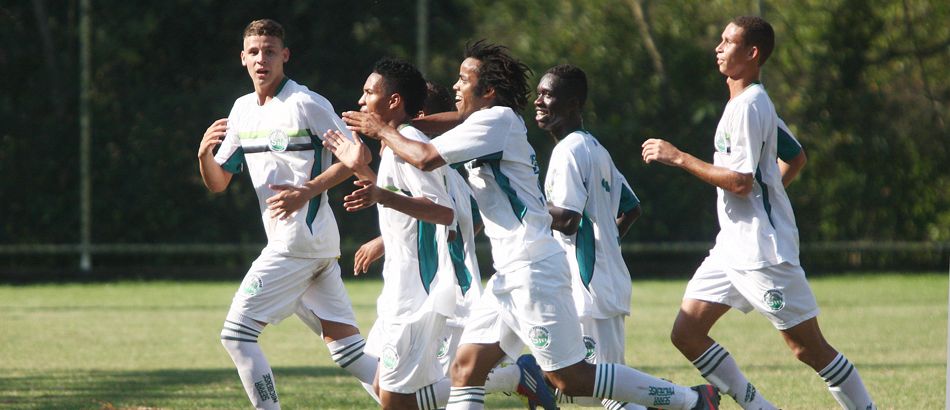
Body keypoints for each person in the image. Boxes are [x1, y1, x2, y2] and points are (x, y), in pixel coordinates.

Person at [341, 40, 720, 410]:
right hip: (509, 274)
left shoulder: (497, 121)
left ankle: (692, 401)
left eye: (463, 79)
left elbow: (424, 157)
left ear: (487, 91)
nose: (455, 86)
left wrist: (383, 129)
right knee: (465, 369)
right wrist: (402, 124)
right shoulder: (487, 120)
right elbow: (445, 122)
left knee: (571, 380)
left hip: (533, 268)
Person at [640, 16, 875, 410]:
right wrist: (772, 197)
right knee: (687, 332)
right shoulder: (746, 102)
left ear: (751, 54)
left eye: (728, 41)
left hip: (762, 253)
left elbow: (740, 182)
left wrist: (678, 157)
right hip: (732, 248)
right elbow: (795, 156)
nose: (718, 47)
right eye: (720, 39)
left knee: (807, 349)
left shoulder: (750, 106)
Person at [196, 19, 377, 409]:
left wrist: (308, 190)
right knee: (350, 354)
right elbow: (218, 182)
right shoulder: (243, 110)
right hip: (309, 248)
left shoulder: (305, 103)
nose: (263, 59)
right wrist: (202, 155)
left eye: (271, 51)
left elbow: (357, 156)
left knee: (236, 335)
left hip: (297, 244)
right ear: (243, 58)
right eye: (255, 52)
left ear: (285, 56)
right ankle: (439, 399)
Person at [536, 64, 645, 410]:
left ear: (573, 104)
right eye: (537, 94)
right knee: (591, 388)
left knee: (605, 394)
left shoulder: (569, 150)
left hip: (590, 289)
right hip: (598, 284)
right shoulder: (595, 148)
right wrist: (606, 245)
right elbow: (631, 206)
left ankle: (685, 401)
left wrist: (522, 208)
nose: (537, 101)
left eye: (547, 95)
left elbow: (567, 219)